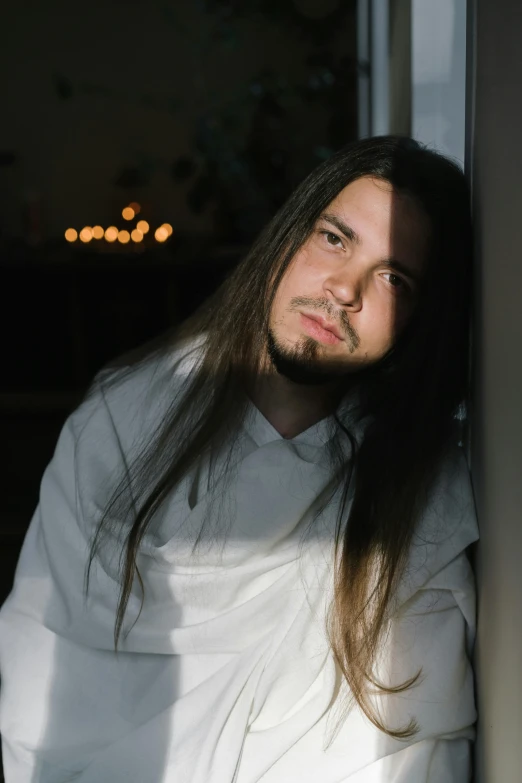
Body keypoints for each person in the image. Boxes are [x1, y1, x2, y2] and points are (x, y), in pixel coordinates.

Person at [0, 136, 478, 782]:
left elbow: (412, 749)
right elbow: (40, 662)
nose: (343, 289)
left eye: (392, 277)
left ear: (419, 320)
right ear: (286, 237)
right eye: (334, 239)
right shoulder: (120, 421)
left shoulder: (419, 498)